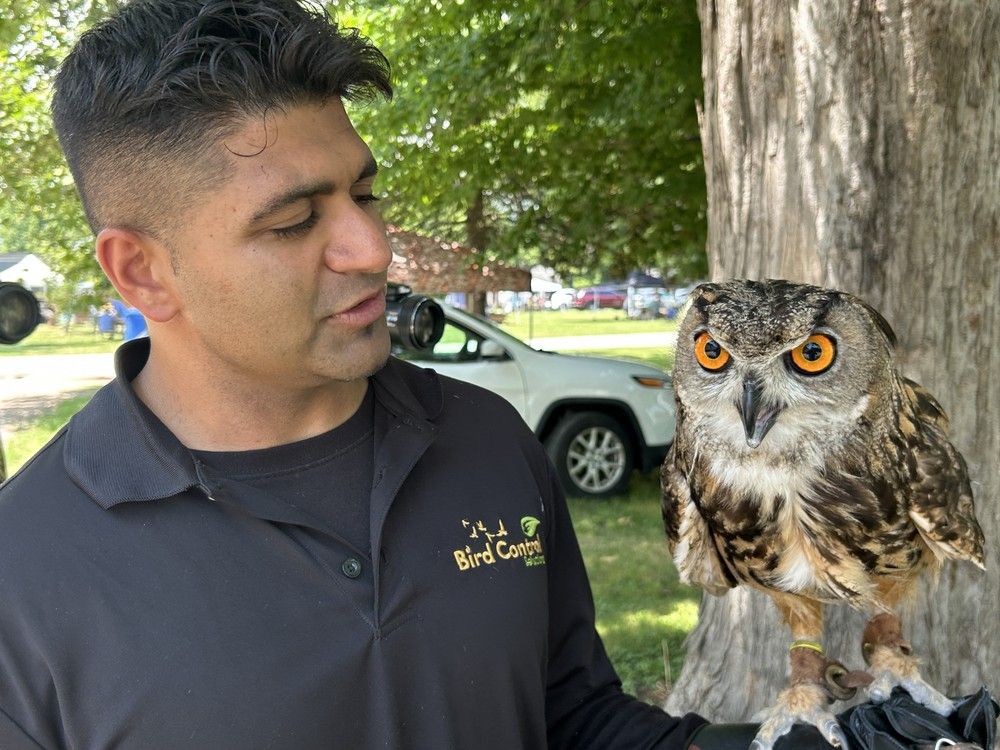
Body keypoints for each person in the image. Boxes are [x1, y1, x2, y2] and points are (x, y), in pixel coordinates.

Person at [0, 2, 715, 747]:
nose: (371, 248)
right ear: (141, 273)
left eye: (364, 194)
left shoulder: (486, 441)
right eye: (294, 222)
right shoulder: (22, 572)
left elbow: (568, 715)